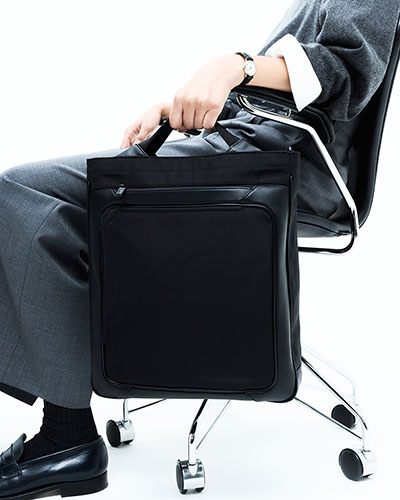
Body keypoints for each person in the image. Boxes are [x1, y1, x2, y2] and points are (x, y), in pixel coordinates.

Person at [0, 0, 398, 498]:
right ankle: (67, 432)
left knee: (26, 194)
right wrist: (179, 110)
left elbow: (344, 72)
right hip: (249, 147)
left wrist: (236, 65)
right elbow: (273, 99)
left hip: (280, 165)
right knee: (51, 207)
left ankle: (67, 436)